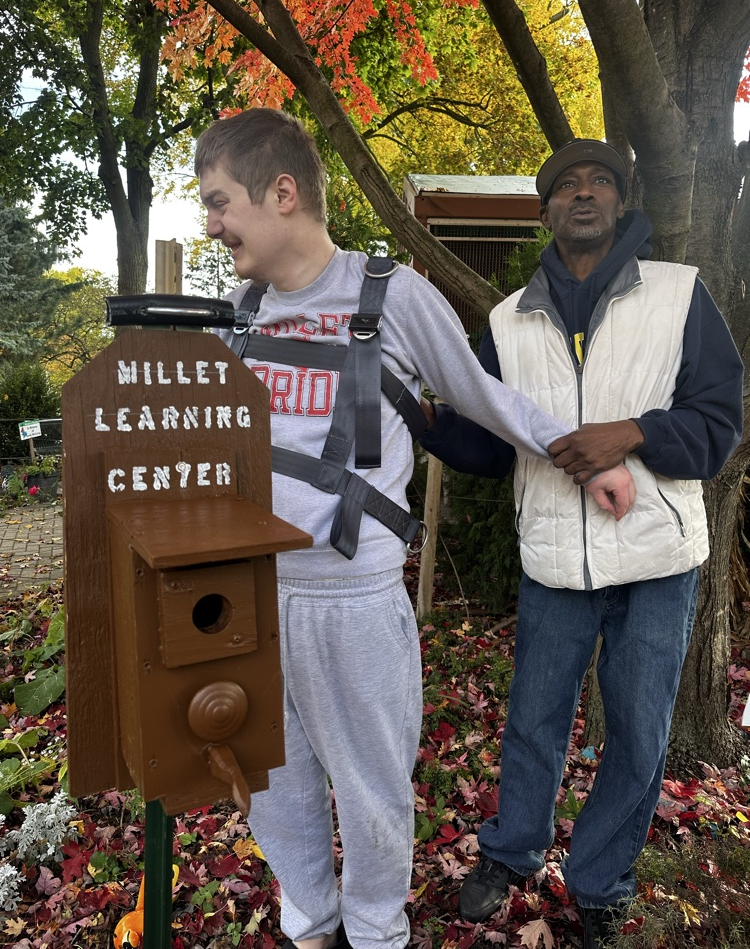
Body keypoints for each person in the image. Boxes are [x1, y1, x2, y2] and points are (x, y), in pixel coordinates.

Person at [194, 112, 635, 949]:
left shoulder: (390, 296)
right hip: (247, 598)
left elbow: (484, 397)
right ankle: (311, 923)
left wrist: (585, 457)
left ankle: (373, 930)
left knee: (371, 790)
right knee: (270, 780)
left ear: (282, 193)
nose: (212, 224)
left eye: (220, 203)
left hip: (353, 602)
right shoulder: (235, 312)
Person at [419, 138, 744, 948]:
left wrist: (630, 433)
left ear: (622, 202)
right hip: (555, 560)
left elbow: (719, 426)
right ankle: (514, 852)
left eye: (601, 181)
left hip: (657, 561)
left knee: (636, 733)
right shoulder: (507, 319)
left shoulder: (680, 296)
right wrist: (423, 420)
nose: (585, 193)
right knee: (532, 720)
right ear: (546, 210)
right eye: (567, 185)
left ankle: (600, 881)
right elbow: (494, 449)